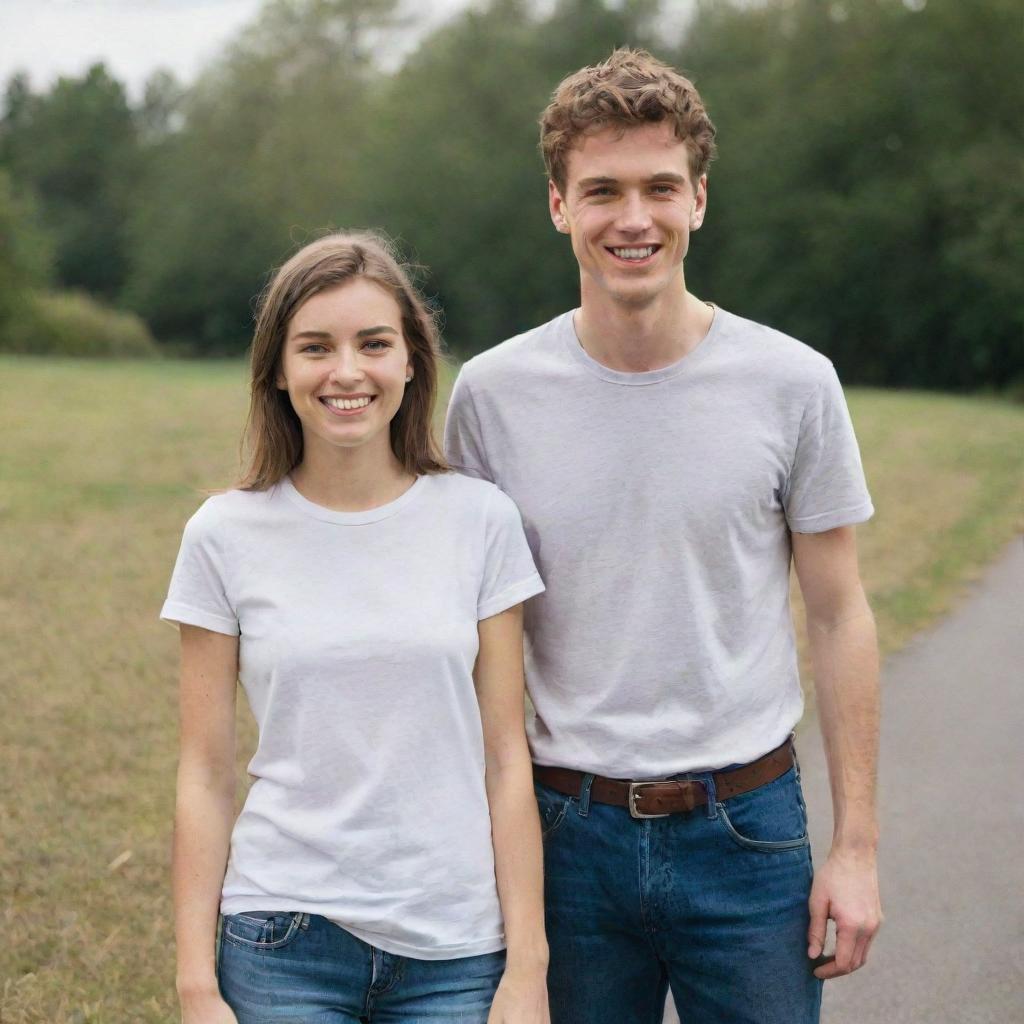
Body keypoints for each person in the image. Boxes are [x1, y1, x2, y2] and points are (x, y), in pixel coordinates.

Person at [444, 49, 882, 1024]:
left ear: (698, 201)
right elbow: (468, 639)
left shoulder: (792, 383)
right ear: (557, 204)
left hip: (748, 830)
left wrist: (854, 849)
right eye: (601, 190)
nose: (632, 218)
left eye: (658, 188)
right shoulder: (490, 398)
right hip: (562, 837)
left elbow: (840, 613)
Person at [162, 231, 550, 1024]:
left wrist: (528, 966)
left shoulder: (480, 520)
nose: (347, 372)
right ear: (277, 368)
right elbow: (204, 774)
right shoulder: (222, 534)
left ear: (411, 360)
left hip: (457, 947)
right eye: (315, 347)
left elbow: (508, 757)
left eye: (373, 344)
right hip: (282, 938)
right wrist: (196, 984)